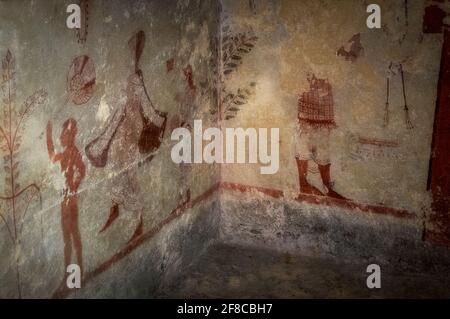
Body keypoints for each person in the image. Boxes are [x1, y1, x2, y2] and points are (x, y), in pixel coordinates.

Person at [86, 30, 167, 242]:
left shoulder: (136, 80)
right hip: (123, 129)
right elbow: (118, 112)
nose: (130, 54)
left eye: (133, 49)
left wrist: (159, 121)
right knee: (115, 170)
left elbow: (146, 107)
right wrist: (103, 140)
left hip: (132, 132)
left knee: (130, 176)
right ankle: (114, 209)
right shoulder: (128, 79)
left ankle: (140, 221)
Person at [295, 73, 346, 200]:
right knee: (303, 151)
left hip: (324, 116)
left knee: (323, 154)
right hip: (305, 115)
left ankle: (327, 187)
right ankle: (303, 185)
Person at [47, 119, 86, 276]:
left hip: (70, 201)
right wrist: (48, 136)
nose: (61, 138)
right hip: (66, 200)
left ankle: (77, 273)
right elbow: (52, 156)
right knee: (68, 239)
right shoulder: (66, 153)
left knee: (73, 236)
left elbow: (82, 170)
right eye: (62, 135)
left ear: (70, 136)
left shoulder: (73, 152)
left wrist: (74, 187)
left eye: (64, 135)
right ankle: (71, 274)